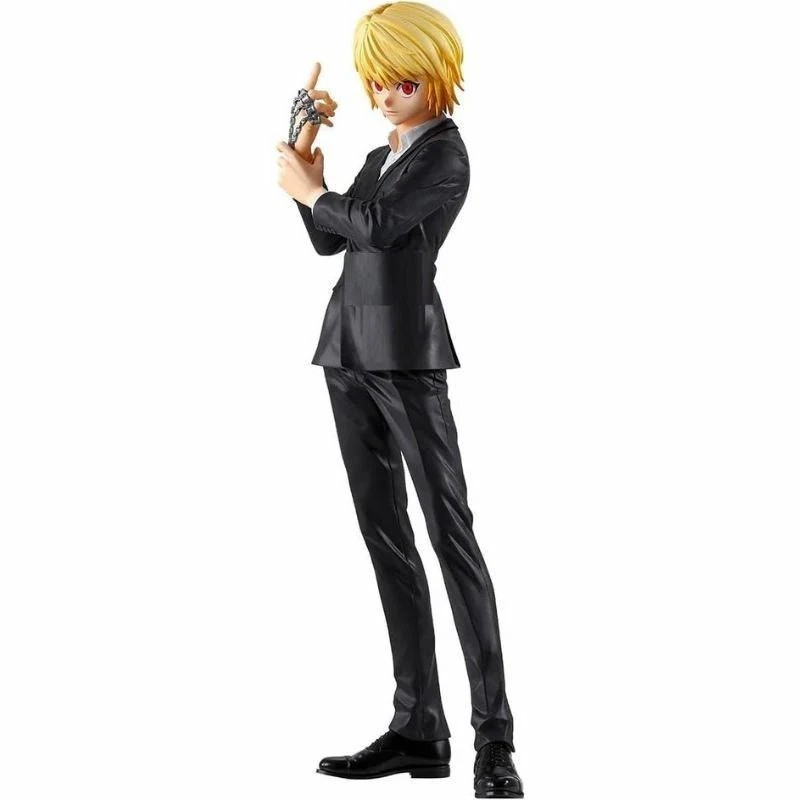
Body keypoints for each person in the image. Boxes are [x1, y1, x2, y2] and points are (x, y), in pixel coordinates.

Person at [276, 3, 524, 797]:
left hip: (409, 360)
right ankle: (419, 725)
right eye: (377, 82)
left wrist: (313, 191)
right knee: (384, 535)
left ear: (438, 77)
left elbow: (377, 228)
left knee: (451, 536)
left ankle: (495, 740)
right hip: (346, 350)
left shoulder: (445, 156)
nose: (385, 96)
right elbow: (331, 237)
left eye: (402, 82)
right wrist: (304, 161)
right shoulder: (383, 154)